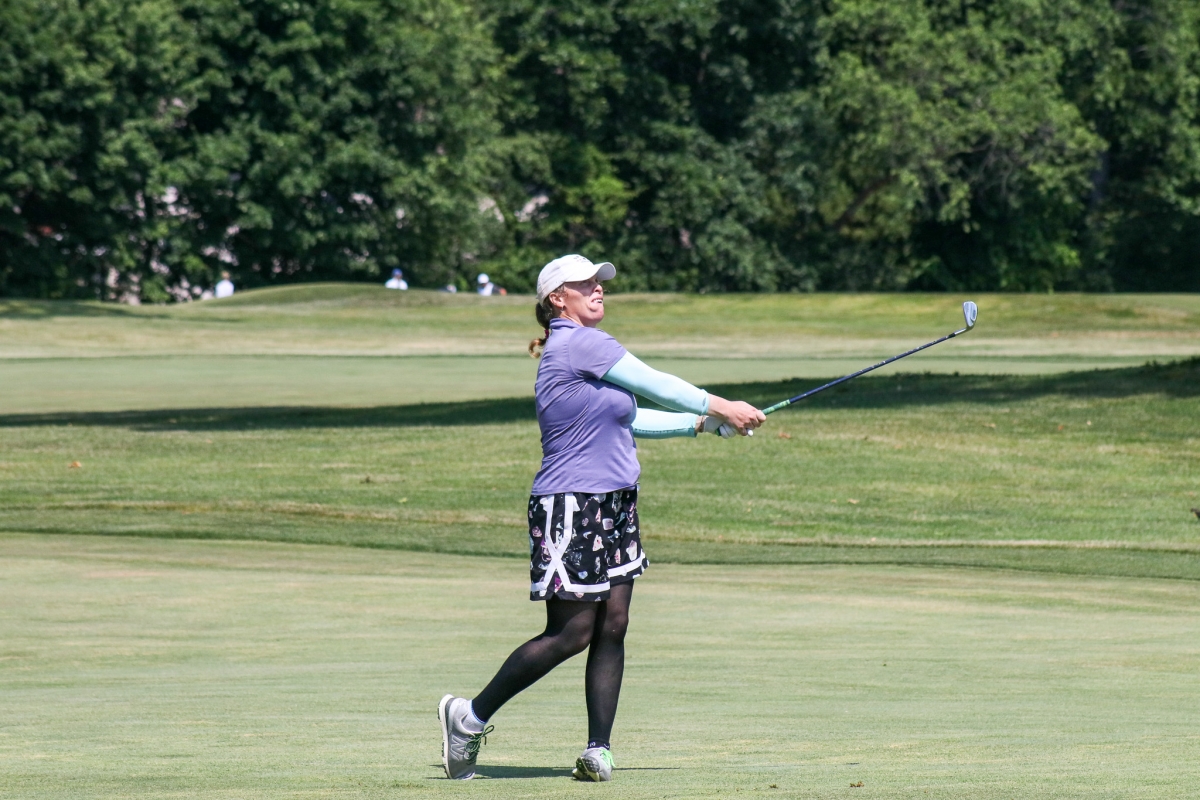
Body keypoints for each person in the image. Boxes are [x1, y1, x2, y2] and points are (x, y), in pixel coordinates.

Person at [437, 254, 765, 782]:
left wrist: (701, 426)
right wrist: (723, 404)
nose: (598, 289)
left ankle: (598, 750)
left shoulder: (585, 355)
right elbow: (656, 382)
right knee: (571, 633)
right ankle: (468, 717)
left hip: (613, 502)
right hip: (571, 504)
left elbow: (633, 418)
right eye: (584, 283)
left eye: (600, 282)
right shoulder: (578, 343)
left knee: (613, 625)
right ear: (556, 300)